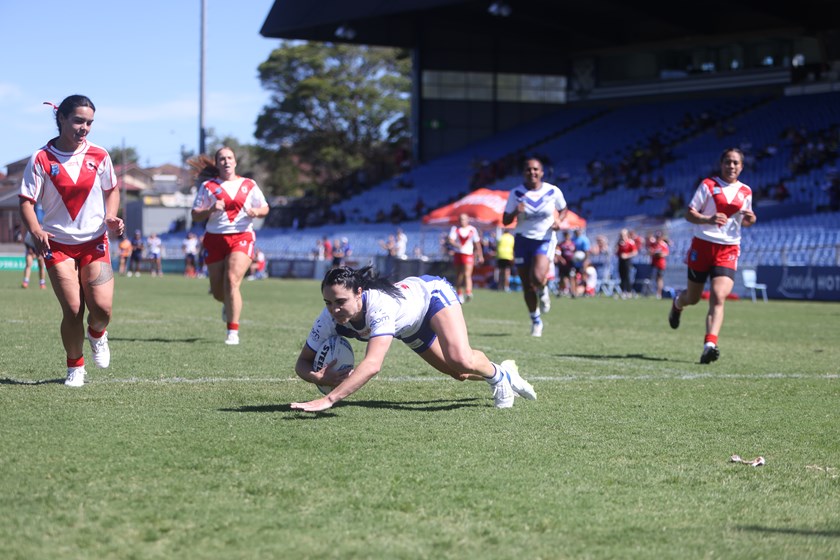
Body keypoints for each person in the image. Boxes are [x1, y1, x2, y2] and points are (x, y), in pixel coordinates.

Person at [290, 265, 537, 412]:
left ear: (359, 294)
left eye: (340, 302)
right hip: (410, 328)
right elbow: (302, 363)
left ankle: (498, 378)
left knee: (460, 357)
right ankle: (504, 372)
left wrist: (329, 399)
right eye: (328, 303)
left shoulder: (379, 307)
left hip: (431, 297)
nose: (334, 309)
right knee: (458, 373)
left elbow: (373, 365)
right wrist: (317, 376)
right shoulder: (328, 319)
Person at [18, 94, 125, 387]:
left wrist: (111, 216)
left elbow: (112, 189)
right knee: (74, 309)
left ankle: (98, 334)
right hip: (58, 245)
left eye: (89, 122)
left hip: (95, 242)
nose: (85, 127)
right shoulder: (41, 158)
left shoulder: (100, 155)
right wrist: (36, 229)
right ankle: (75, 367)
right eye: (78, 120)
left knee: (102, 310)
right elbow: (26, 201)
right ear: (61, 119)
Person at [669, 147, 757, 364]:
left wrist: (751, 219)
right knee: (694, 298)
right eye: (728, 161)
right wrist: (707, 219)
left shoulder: (746, 191)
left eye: (736, 162)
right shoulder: (708, 185)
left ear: (742, 166)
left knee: (719, 296)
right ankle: (678, 303)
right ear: (722, 164)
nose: (732, 166)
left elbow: (744, 221)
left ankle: (710, 344)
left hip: (728, 249)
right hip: (703, 246)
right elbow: (689, 213)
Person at [191, 146, 269, 346]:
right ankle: (227, 303)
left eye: (229, 157)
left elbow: (265, 207)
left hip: (242, 236)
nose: (226, 161)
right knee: (219, 292)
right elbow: (195, 214)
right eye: (222, 159)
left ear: (235, 162)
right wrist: (209, 209)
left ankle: (232, 331)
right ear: (217, 164)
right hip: (215, 239)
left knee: (232, 280)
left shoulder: (248, 184)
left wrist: (256, 212)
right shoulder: (208, 186)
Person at [502, 157, 567, 337]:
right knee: (527, 285)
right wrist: (516, 211)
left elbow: (563, 208)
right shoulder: (516, 193)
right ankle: (536, 320)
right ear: (524, 173)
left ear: (542, 172)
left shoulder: (552, 191)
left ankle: (544, 289)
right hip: (522, 240)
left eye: (536, 169)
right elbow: (505, 220)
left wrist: (559, 220)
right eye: (529, 169)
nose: (532, 172)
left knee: (537, 277)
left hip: (544, 239)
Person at [448, 213, 484, 303]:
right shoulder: (455, 229)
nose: (462, 221)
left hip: (468, 254)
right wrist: (457, 245)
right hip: (458, 254)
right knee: (459, 275)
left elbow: (477, 243)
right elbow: (450, 240)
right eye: (460, 219)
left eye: (464, 219)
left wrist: (480, 255)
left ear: (467, 220)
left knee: (467, 274)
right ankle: (459, 293)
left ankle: (468, 292)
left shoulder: (472, 230)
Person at [647, 230, 670, 298]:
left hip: (660, 264)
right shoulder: (653, 244)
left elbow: (665, 253)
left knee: (659, 278)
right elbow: (649, 252)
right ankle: (649, 291)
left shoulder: (663, 244)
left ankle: (659, 293)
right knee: (651, 277)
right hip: (653, 263)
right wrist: (654, 253)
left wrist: (658, 254)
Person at [616, 228, 638, 297]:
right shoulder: (619, 243)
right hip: (621, 261)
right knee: (621, 276)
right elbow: (617, 252)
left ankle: (629, 291)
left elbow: (635, 252)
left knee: (627, 276)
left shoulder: (630, 242)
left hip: (627, 261)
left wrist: (627, 255)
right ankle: (622, 291)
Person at [495, 227, 515, 292]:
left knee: (501, 272)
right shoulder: (511, 238)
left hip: (500, 255)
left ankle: (499, 286)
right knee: (507, 273)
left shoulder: (500, 237)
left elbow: (497, 246)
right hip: (508, 256)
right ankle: (506, 287)